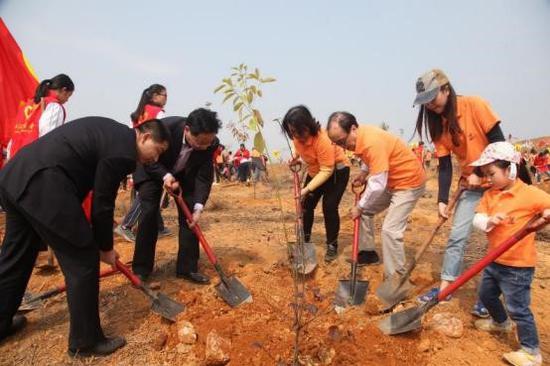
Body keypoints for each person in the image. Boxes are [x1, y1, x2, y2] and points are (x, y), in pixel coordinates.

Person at [0, 118, 170, 356]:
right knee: (83, 260)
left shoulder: (113, 134)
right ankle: (85, 342)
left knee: (17, 254)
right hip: (42, 184)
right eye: (158, 150)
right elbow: (102, 203)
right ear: (144, 137)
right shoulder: (123, 152)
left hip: (15, 176)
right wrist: (104, 247)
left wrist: (94, 237)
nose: (156, 159)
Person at [413, 69, 506, 318]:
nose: (430, 106)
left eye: (433, 98)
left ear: (446, 89)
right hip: (470, 186)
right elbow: (444, 166)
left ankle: (489, 298)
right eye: (426, 102)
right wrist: (442, 200)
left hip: (501, 184)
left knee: (498, 241)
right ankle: (446, 287)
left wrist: (480, 170)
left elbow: (500, 143)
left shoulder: (475, 105)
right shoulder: (437, 125)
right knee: (456, 237)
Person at [470, 142, 549, 366]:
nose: (488, 178)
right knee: (486, 294)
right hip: (493, 261)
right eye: (485, 174)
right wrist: (489, 221)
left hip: (518, 266)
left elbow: (547, 207)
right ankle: (500, 322)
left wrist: (545, 214)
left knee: (518, 308)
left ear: (511, 169)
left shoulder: (530, 194)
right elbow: (477, 219)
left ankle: (531, 352)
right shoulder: (490, 195)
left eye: (491, 173)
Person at [327, 112, 426, 272]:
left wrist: (359, 206)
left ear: (353, 128)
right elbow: (369, 158)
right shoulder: (361, 137)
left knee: (390, 230)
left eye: (342, 141)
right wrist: (364, 173)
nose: (343, 147)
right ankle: (368, 253)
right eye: (337, 144)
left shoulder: (371, 141)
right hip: (391, 181)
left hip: (409, 182)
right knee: (365, 211)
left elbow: (378, 184)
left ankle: (395, 278)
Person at [132, 109, 221, 284]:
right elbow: (148, 157)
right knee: (149, 212)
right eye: (199, 142)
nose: (203, 147)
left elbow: (204, 176)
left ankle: (187, 268)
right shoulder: (166, 128)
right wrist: (165, 176)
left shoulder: (210, 143)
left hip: (183, 175)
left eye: (207, 143)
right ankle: (141, 269)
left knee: (189, 217)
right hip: (151, 167)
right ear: (187, 130)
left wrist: (198, 207)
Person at [282, 106, 351, 262]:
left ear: (307, 126)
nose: (296, 136)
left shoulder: (323, 140)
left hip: (336, 173)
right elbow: (300, 150)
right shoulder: (297, 138)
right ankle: (304, 242)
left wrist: (306, 189)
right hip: (315, 172)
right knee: (306, 206)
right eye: (292, 132)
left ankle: (332, 245)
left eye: (298, 131)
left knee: (329, 207)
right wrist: (295, 157)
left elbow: (327, 170)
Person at [114, 84, 170, 242]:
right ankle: (127, 225)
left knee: (150, 189)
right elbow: (163, 133)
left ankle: (158, 226)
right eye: (163, 95)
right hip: (149, 153)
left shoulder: (138, 112)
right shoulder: (158, 113)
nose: (166, 98)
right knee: (147, 191)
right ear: (154, 96)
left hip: (136, 151)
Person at [7, 73, 74, 160]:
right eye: (68, 96)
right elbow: (48, 138)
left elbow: (13, 137)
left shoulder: (27, 105)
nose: (67, 100)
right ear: (64, 90)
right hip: (32, 160)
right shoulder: (54, 106)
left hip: (14, 160)